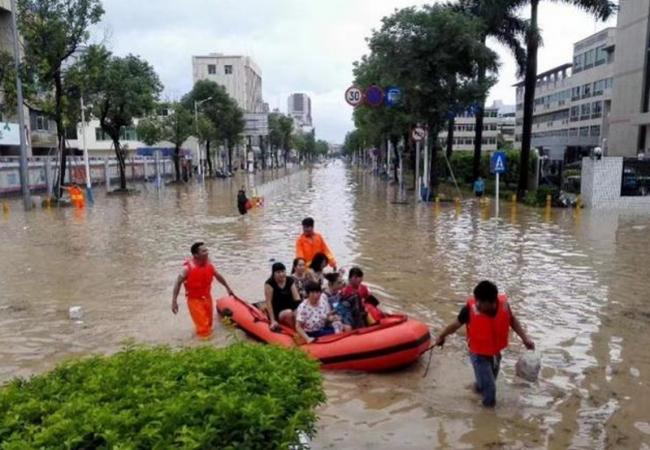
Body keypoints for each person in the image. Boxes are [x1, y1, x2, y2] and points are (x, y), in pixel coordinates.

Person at [434, 281, 535, 408]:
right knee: (491, 391)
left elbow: (512, 320)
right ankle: (487, 417)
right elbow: (455, 325)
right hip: (478, 355)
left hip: (495, 354)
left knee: (488, 383)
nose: (477, 304)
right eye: (477, 300)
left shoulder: (504, 306)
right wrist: (441, 336)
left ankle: (474, 390)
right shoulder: (469, 310)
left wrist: (525, 339)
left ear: (492, 302)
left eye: (481, 302)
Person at [172, 242, 235, 339]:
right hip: (194, 300)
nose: (207, 252)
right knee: (203, 329)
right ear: (196, 255)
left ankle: (201, 338)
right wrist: (174, 301)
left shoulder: (209, 265)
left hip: (207, 298)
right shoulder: (186, 269)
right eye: (203, 251)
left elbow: (218, 276)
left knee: (209, 324)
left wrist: (228, 288)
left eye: (207, 250)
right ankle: (206, 344)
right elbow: (177, 283)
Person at [265, 262, 302, 330]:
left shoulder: (290, 280)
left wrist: (299, 310)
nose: (281, 274)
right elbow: (268, 302)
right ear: (274, 273)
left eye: (283, 271)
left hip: (291, 306)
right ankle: (295, 331)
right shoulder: (270, 284)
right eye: (278, 272)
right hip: (278, 310)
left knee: (297, 312)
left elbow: (296, 297)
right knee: (289, 313)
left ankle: (302, 329)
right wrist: (272, 320)